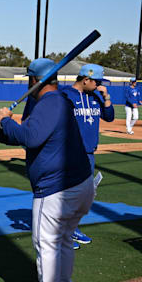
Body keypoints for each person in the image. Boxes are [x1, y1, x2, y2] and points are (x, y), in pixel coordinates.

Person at [0, 58, 94, 282]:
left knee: (46, 243)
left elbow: (29, 137)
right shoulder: (58, 102)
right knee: (63, 240)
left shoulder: (50, 103)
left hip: (57, 188)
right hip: (79, 184)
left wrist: (6, 119)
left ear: (34, 80)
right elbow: (30, 139)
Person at [62, 63, 114, 247]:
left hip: (89, 153)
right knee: (68, 194)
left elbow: (109, 116)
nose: (100, 85)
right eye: (97, 82)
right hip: (70, 153)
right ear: (86, 79)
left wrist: (106, 97)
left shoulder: (95, 96)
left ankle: (72, 229)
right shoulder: (65, 96)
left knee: (83, 195)